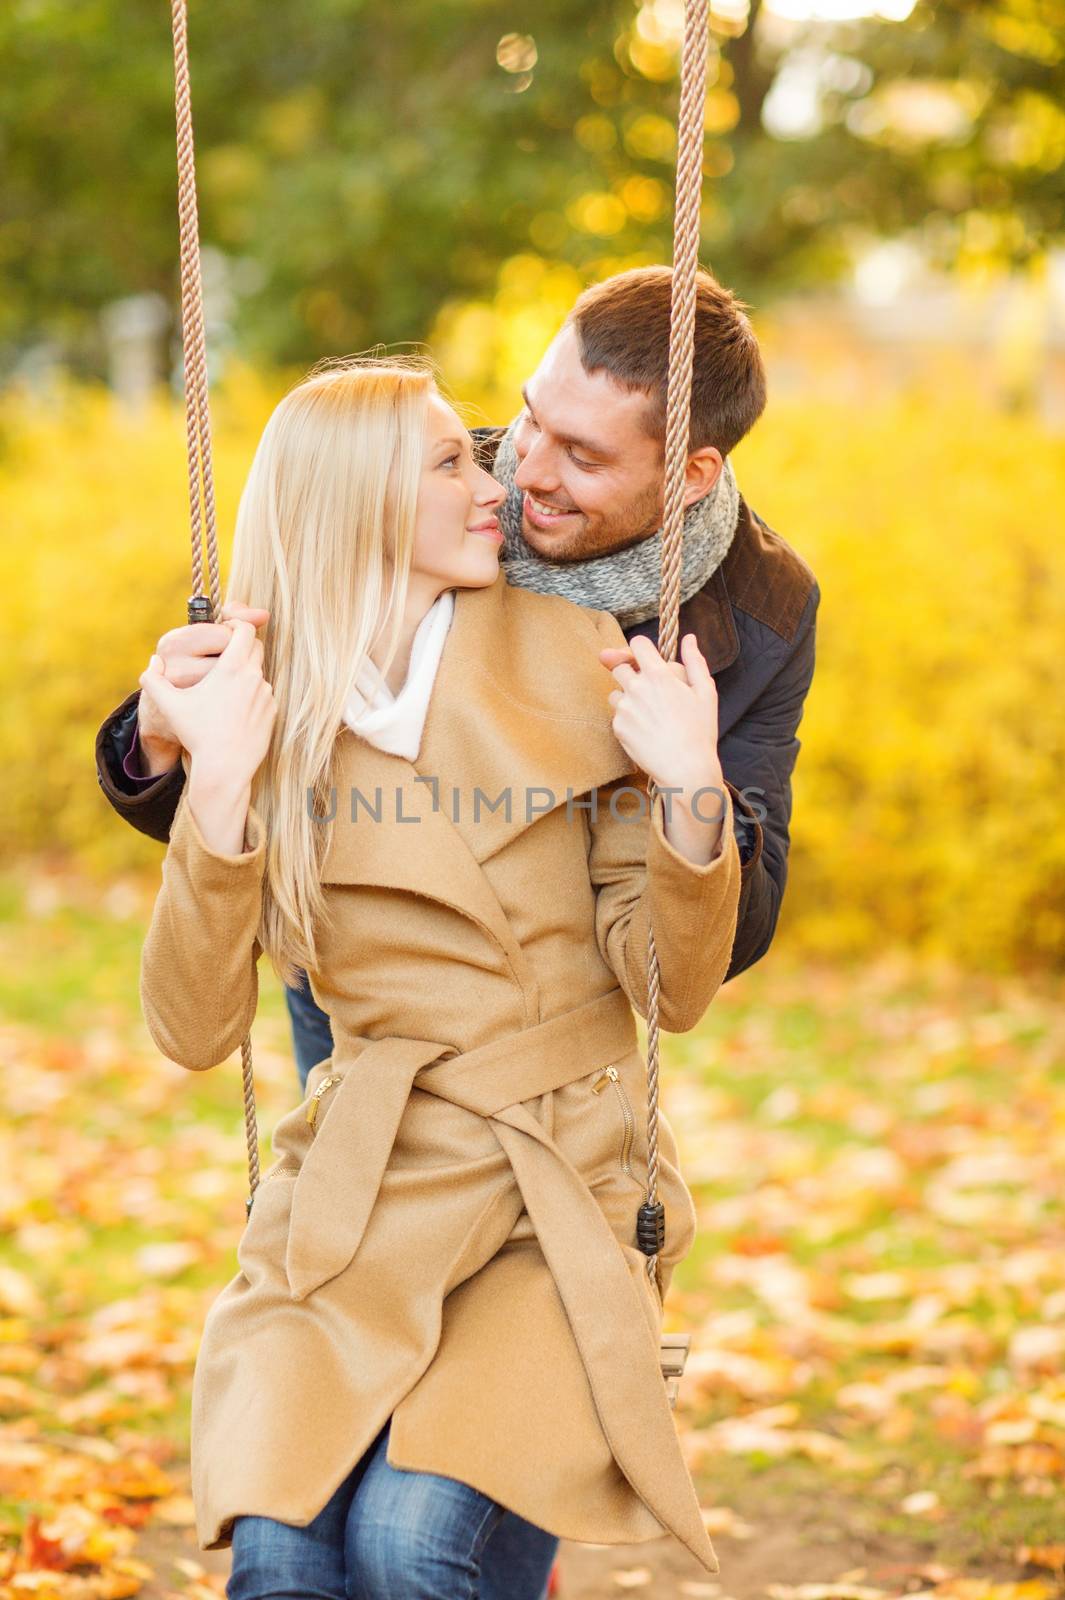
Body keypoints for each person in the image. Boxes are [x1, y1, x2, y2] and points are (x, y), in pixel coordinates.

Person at [134, 355, 743, 1598]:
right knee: (284, 1561)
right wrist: (214, 787)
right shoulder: (268, 704)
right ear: (360, 503)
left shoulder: (585, 658)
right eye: (454, 462)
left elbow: (672, 992)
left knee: (413, 1552)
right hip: (357, 1196)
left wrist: (692, 790)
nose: (500, 479)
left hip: (551, 1192)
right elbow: (193, 1030)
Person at [95, 266, 820, 1095]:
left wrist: (690, 781)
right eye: (530, 418)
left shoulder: (762, 611)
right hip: (361, 970)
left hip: (555, 1015)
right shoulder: (446, 483)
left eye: (581, 455)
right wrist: (155, 745)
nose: (520, 472)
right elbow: (287, 680)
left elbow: (731, 927)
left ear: (688, 476)